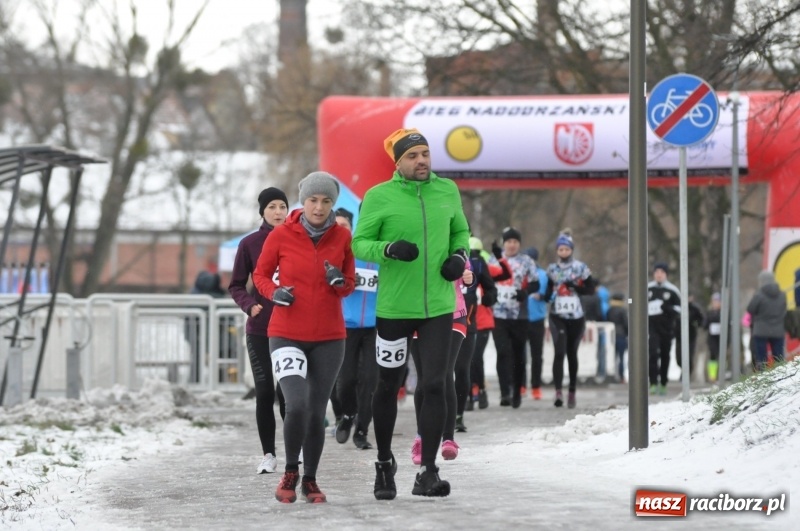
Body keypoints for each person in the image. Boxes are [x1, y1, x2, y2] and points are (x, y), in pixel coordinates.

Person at [352, 128, 469, 500]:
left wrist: (458, 257)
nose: (421, 161)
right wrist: (388, 249)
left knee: (435, 383)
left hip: (437, 307)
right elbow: (359, 242)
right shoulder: (378, 196)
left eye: (425, 153)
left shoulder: (447, 190)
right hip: (394, 309)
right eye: (413, 156)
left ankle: (428, 471)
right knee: (388, 386)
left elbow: (461, 232)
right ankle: (384, 464)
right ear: (398, 162)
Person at [253, 172, 355, 504]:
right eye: (313, 200)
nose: (319, 207)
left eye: (326, 201)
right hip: (286, 334)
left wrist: (339, 280)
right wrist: (274, 292)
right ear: (303, 200)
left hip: (329, 337)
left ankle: (310, 479)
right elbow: (260, 274)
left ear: (333, 203)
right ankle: (290, 471)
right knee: (295, 404)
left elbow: (349, 283)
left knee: (315, 410)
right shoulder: (282, 234)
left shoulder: (341, 237)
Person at [228, 187, 289, 474]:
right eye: (272, 207)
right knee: (265, 391)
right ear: (262, 211)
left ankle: (294, 450)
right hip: (260, 328)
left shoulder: (298, 238)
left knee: (289, 390)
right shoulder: (250, 243)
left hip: (292, 328)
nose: (278, 212)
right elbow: (236, 284)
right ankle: (268, 454)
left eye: (282, 206)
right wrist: (250, 305)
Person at [410, 265, 475, 465]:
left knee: (444, 373)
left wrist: (468, 277)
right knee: (424, 378)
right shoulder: (414, 239)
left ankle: (448, 439)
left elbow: (467, 273)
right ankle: (421, 438)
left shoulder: (453, 240)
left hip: (453, 314)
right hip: (417, 315)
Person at [333, 207, 379, 450]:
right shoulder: (349, 247)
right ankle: (347, 415)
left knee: (370, 381)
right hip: (347, 324)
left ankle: (362, 430)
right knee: (346, 380)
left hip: (376, 325)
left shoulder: (385, 249)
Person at [541, 229, 595, 408]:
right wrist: (547, 296)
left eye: (566, 249)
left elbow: (591, 289)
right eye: (560, 249)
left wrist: (575, 287)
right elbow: (548, 291)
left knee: (572, 353)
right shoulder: (552, 269)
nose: (563, 252)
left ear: (571, 249)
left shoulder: (581, 267)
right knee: (559, 352)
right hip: (557, 316)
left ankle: (571, 391)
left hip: (576, 316)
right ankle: (558, 392)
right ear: (557, 251)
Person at [491, 227, 538, 408]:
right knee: (502, 353)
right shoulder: (494, 259)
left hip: (520, 315)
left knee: (519, 354)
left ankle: (517, 391)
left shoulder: (526, 261)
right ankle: (505, 393)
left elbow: (536, 283)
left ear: (519, 244)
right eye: (509, 241)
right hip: (498, 314)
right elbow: (486, 279)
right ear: (504, 243)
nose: (511, 245)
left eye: (515, 242)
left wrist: (525, 292)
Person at [462, 237, 497, 413]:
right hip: (461, 317)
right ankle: (468, 393)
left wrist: (490, 297)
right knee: (464, 362)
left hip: (481, 319)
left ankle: (480, 390)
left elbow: (493, 284)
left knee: (475, 358)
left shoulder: (479, 261)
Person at [647, 261, 680, 395]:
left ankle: (664, 382)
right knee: (653, 354)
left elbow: (680, 309)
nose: (659, 275)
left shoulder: (672, 290)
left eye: (661, 272)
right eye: (656, 272)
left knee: (665, 355)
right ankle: (653, 383)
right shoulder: (648, 289)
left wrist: (667, 308)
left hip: (667, 329)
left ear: (666, 274)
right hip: (652, 328)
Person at [746, 270, 787, 372]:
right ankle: (781, 376)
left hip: (761, 330)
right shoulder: (782, 295)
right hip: (778, 330)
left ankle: (762, 378)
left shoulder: (759, 295)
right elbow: (784, 310)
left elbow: (750, 309)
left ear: (762, 281)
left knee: (761, 359)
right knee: (779, 358)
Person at [523, 247, 549, 400]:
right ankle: (520, 385)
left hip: (537, 318)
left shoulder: (543, 275)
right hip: (521, 317)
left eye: (530, 259)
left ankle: (536, 386)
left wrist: (542, 295)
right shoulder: (519, 273)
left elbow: (547, 294)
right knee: (519, 355)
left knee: (537, 355)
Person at [675, 294, 705, 380]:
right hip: (679, 336)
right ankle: (683, 370)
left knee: (688, 356)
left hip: (690, 336)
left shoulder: (695, 309)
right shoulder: (678, 307)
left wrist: (695, 323)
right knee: (679, 357)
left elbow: (701, 320)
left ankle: (686, 375)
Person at [606, 292, 628, 383]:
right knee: (621, 357)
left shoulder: (609, 310)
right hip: (621, 335)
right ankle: (621, 376)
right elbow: (626, 323)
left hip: (611, 335)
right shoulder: (622, 310)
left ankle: (613, 376)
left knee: (612, 357)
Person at [704, 292, 723, 382]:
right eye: (714, 301)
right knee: (713, 356)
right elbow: (705, 324)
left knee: (722, 355)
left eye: (718, 301)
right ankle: (712, 376)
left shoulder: (724, 312)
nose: (716, 303)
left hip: (722, 338)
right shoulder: (709, 312)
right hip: (712, 338)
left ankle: (722, 374)